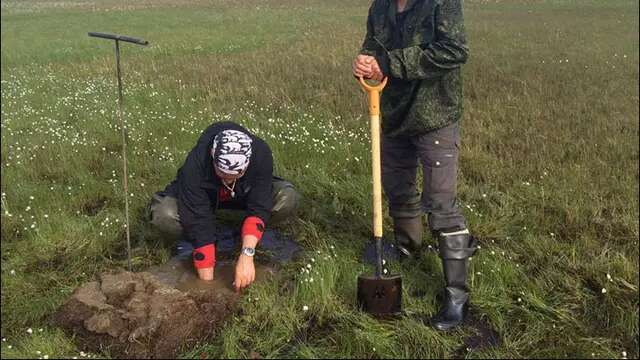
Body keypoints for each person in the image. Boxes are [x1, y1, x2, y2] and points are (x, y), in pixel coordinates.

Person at [353, 0, 477, 330]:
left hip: (435, 114)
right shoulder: (380, 7)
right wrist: (365, 63)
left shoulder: (441, 3)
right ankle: (407, 249)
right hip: (393, 114)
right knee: (398, 189)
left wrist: (387, 64)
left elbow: (454, 50)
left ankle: (457, 296)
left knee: (440, 202)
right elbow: (372, 47)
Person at [148, 121, 299, 291]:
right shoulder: (195, 165)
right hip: (206, 199)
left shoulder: (260, 155)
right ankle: (203, 238)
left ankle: (245, 233)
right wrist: (207, 286)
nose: (228, 180)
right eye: (222, 173)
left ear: (248, 163)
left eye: (236, 174)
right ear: (213, 154)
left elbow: (259, 204)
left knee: (287, 197)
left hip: (243, 196)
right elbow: (199, 220)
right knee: (165, 214)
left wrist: (247, 255)